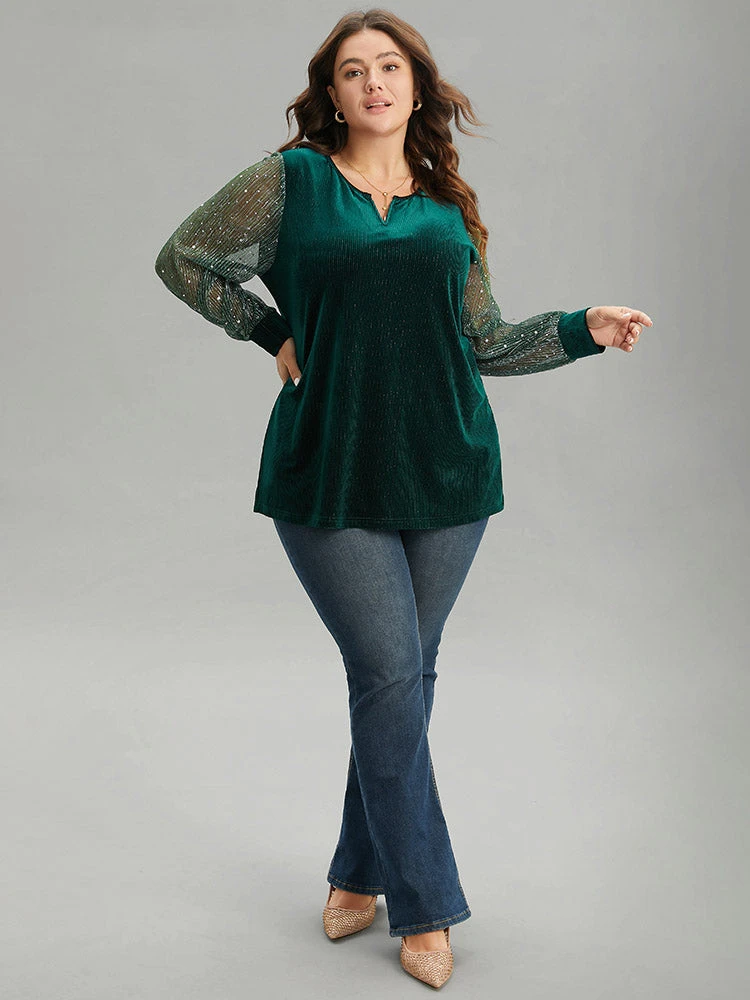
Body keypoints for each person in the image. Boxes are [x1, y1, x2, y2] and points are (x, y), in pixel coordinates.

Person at [154, 8, 652, 989]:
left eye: (390, 67)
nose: (374, 82)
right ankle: (427, 903)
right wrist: (270, 334)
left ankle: (357, 870)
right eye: (354, 71)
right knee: (390, 675)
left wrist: (583, 327)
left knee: (403, 683)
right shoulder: (291, 182)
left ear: (417, 88)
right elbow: (184, 258)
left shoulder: (448, 207)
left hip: (448, 471)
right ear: (333, 94)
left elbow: (485, 341)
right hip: (329, 470)